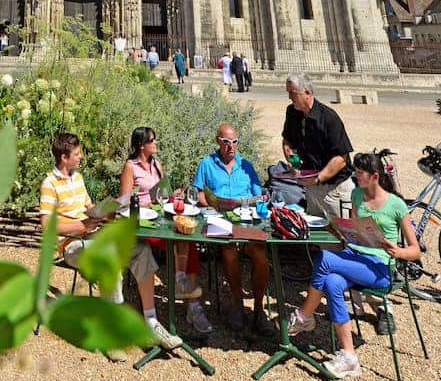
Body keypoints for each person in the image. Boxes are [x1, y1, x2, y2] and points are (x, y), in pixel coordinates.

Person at [40, 131, 182, 358]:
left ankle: (151, 322)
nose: (80, 157)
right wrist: (83, 225)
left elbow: (87, 206)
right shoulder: (49, 184)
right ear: (64, 157)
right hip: (72, 245)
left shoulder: (77, 177)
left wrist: (106, 211)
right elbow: (47, 225)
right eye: (76, 154)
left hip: (92, 236)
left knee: (141, 250)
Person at [288, 152, 421, 379]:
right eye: (356, 171)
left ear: (375, 176)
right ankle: (349, 356)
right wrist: (341, 229)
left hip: (380, 267)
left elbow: (415, 250)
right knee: (331, 281)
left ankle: (304, 315)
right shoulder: (357, 195)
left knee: (326, 259)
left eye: (360, 173)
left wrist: (397, 251)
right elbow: (353, 229)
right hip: (355, 256)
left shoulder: (396, 204)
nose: (356, 176)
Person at [119, 127, 212, 337]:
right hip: (143, 223)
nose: (156, 143)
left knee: (188, 241)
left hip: (160, 219)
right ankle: (182, 286)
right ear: (142, 145)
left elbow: (164, 193)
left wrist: (173, 194)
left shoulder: (157, 165)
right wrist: (148, 202)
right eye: (153, 140)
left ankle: (192, 304)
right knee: (180, 241)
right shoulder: (130, 167)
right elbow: (124, 202)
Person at [194, 124, 275, 336]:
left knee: (260, 252)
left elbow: (259, 195)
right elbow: (199, 194)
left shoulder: (246, 166)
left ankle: (259, 308)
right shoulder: (206, 164)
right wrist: (212, 204)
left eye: (235, 142)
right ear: (218, 141)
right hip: (220, 217)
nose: (231, 146)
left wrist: (254, 201)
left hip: (247, 218)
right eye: (226, 141)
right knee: (228, 250)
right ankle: (237, 303)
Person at [281, 74, 354, 217]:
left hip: (334, 189)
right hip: (311, 186)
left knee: (342, 234)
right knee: (317, 233)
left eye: (293, 93)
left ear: (307, 92)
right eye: (288, 92)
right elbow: (287, 141)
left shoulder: (329, 118)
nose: (290, 97)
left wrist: (319, 178)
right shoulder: (292, 113)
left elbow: (340, 158)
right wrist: (293, 161)